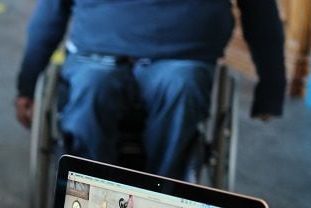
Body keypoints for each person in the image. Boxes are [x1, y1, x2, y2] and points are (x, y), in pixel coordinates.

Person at [14, 0, 286, 179]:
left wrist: (271, 89)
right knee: (91, 90)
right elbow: (50, 13)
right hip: (97, 54)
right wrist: (27, 84)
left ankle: (164, 200)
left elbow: (261, 13)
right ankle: (91, 200)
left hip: (180, 57)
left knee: (181, 86)